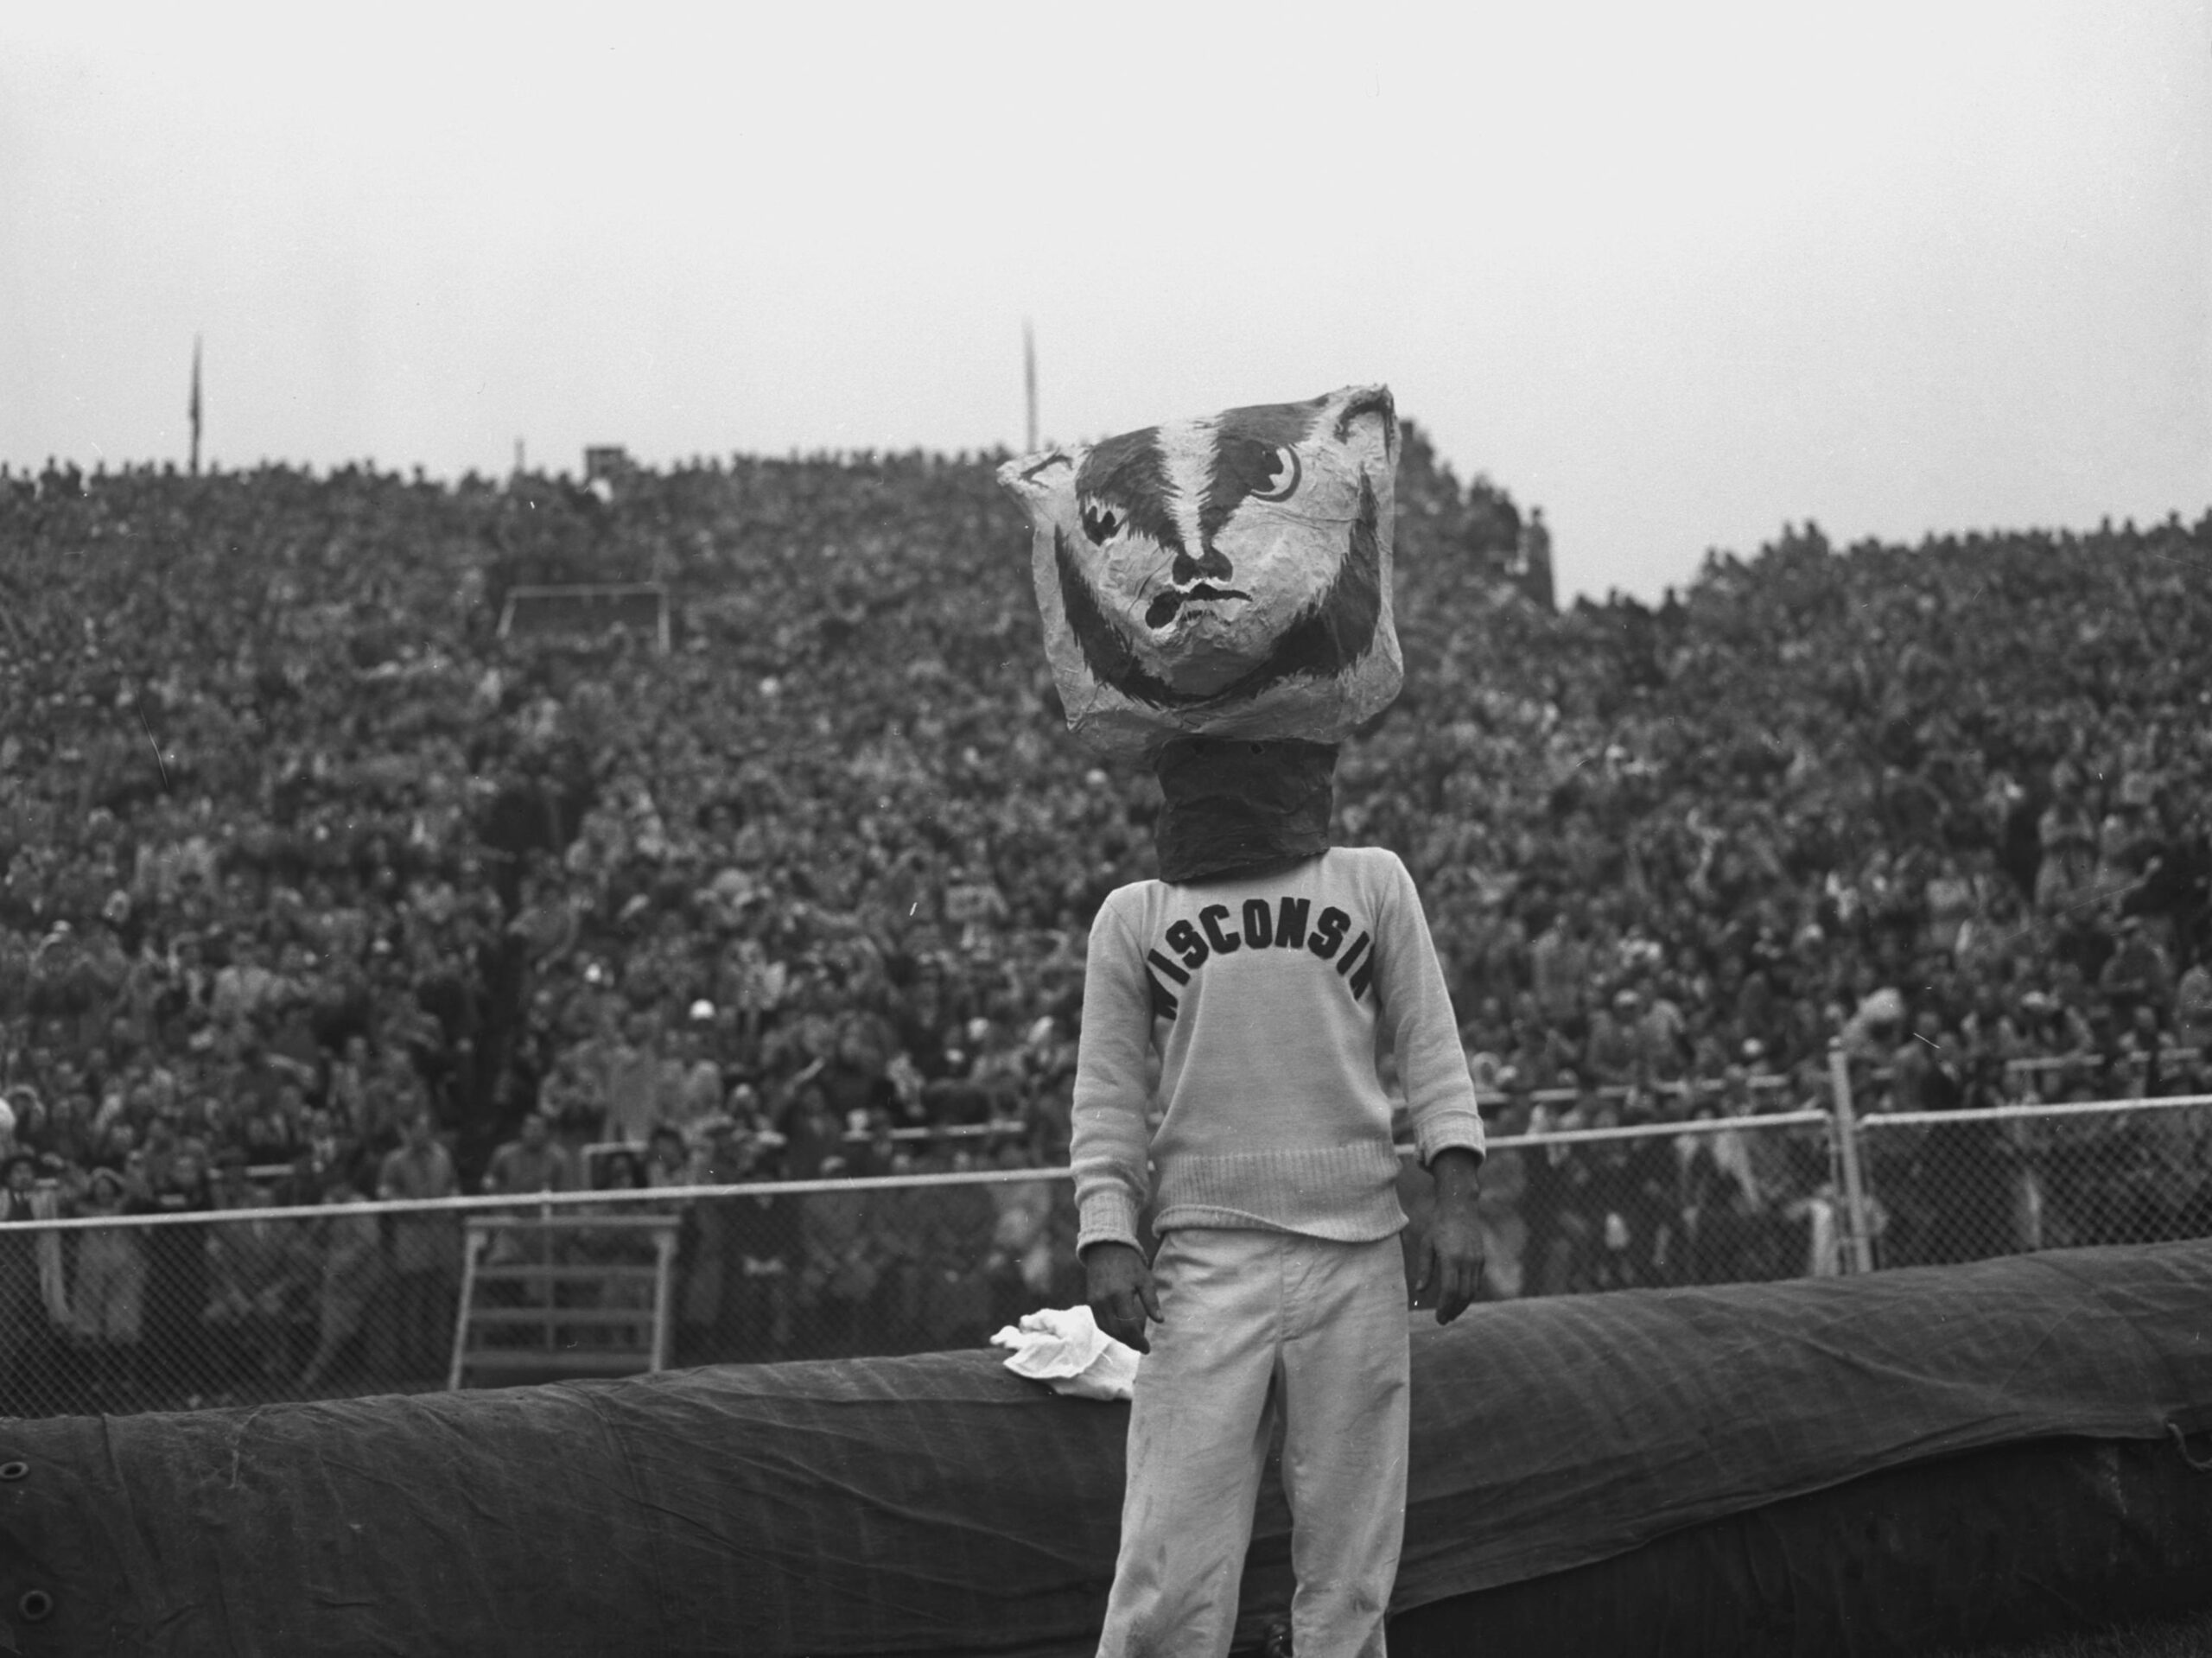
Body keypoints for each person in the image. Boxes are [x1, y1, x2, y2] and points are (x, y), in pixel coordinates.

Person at [1074, 744, 1487, 1658]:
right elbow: (1106, 1092)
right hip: (1203, 1255)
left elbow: (1432, 1048)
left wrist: (1454, 1197)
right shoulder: (1133, 913)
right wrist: (1106, 1227)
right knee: (1167, 1560)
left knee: (1349, 1569)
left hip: (1357, 1245)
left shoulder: (1372, 880)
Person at [377, 1112, 461, 1381]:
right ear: (408, 1131)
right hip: (411, 1238)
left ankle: (440, 1361)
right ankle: (412, 1364)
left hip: (440, 1238)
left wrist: (449, 1203)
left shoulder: (442, 1156)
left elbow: (453, 1185)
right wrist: (411, 1207)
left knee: (439, 1301)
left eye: (426, 1129)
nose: (421, 1135)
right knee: (413, 1302)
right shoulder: (395, 1160)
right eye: (417, 1129)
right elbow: (384, 1191)